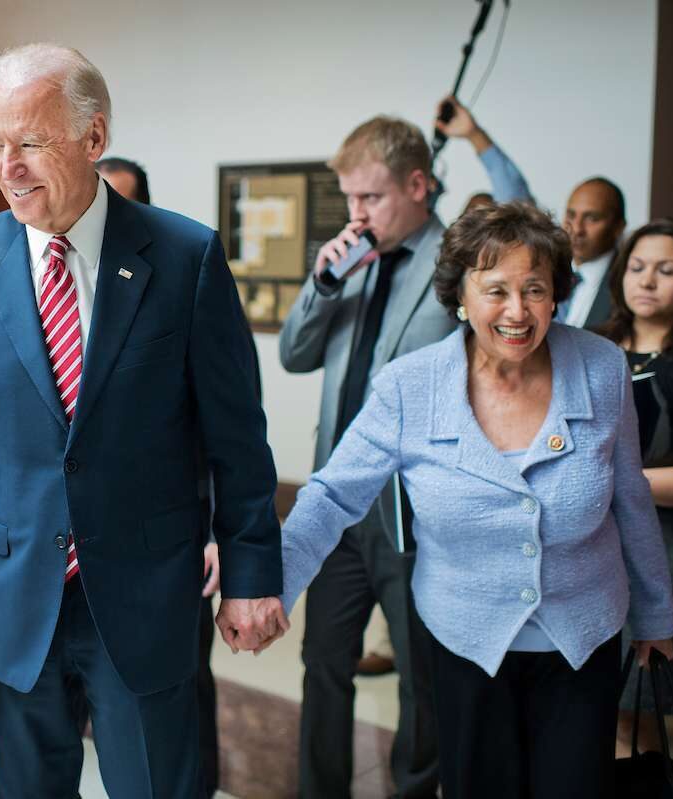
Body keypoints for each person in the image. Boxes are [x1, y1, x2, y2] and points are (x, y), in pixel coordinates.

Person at [0, 43, 285, 798]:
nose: (7, 167)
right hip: (15, 596)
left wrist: (251, 575)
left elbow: (240, 440)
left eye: (31, 144)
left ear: (93, 138)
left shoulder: (185, 257)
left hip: (146, 594)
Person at [281, 201, 673, 798]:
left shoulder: (601, 367)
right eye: (496, 290)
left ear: (556, 296)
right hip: (465, 641)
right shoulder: (408, 385)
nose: (517, 311)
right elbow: (334, 495)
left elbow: (629, 495)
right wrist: (270, 587)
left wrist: (655, 614)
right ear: (461, 297)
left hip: (582, 637)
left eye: (535, 290)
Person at [277, 115, 450, 799]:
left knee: (420, 672)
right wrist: (323, 281)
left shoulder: (458, 263)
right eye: (349, 198)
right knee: (323, 661)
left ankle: (415, 789)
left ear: (418, 185)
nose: (356, 214)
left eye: (370, 198)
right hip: (337, 504)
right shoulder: (347, 262)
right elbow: (294, 355)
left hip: (416, 506)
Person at [96, 153, 234, 798]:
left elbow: (220, 428)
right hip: (80, 554)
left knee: (180, 701)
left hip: (167, 546)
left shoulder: (183, 267)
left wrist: (217, 534)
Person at [598, 219, 673, 755]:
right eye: (637, 267)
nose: (648, 281)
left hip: (669, 545)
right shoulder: (596, 347)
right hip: (589, 544)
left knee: (639, 715)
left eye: (667, 269)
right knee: (584, 703)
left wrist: (624, 482)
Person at [433, 95, 534, 208]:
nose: (476, 224)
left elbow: (513, 202)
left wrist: (474, 134)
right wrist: (474, 134)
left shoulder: (512, 211)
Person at [560, 176, 626, 329]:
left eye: (591, 218)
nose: (577, 229)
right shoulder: (545, 269)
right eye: (571, 215)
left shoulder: (627, 284)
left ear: (619, 227)